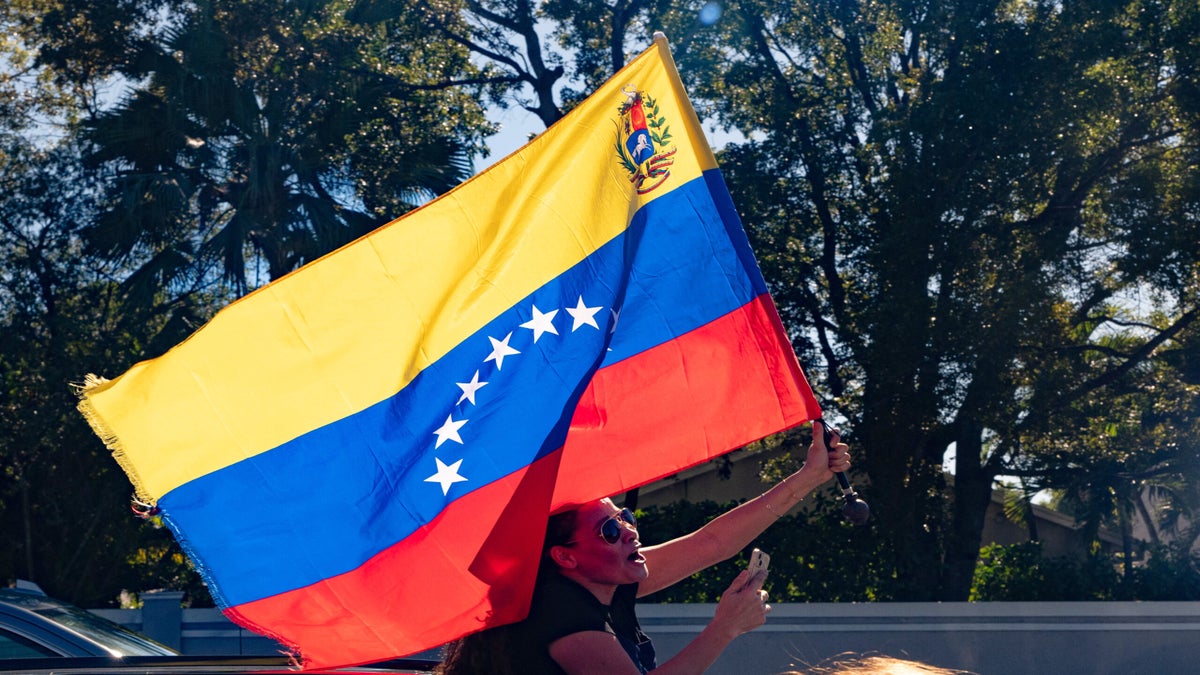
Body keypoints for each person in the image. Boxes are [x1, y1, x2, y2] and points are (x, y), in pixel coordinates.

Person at [437, 420, 852, 675]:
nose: (629, 531)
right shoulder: (557, 610)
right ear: (565, 556)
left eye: (626, 519)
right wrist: (725, 628)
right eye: (610, 532)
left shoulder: (597, 582)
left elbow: (710, 544)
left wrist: (808, 478)